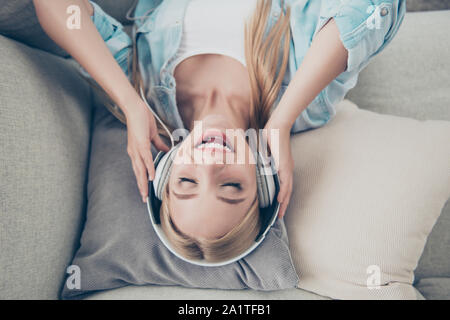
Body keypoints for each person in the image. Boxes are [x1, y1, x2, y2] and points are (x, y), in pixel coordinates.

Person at [33, 0, 405, 262]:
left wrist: (130, 103)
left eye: (187, 184)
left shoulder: (144, 93)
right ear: (262, 180)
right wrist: (282, 118)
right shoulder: (304, 103)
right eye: (231, 187)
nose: (209, 165)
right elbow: (374, 8)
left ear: (166, 171)